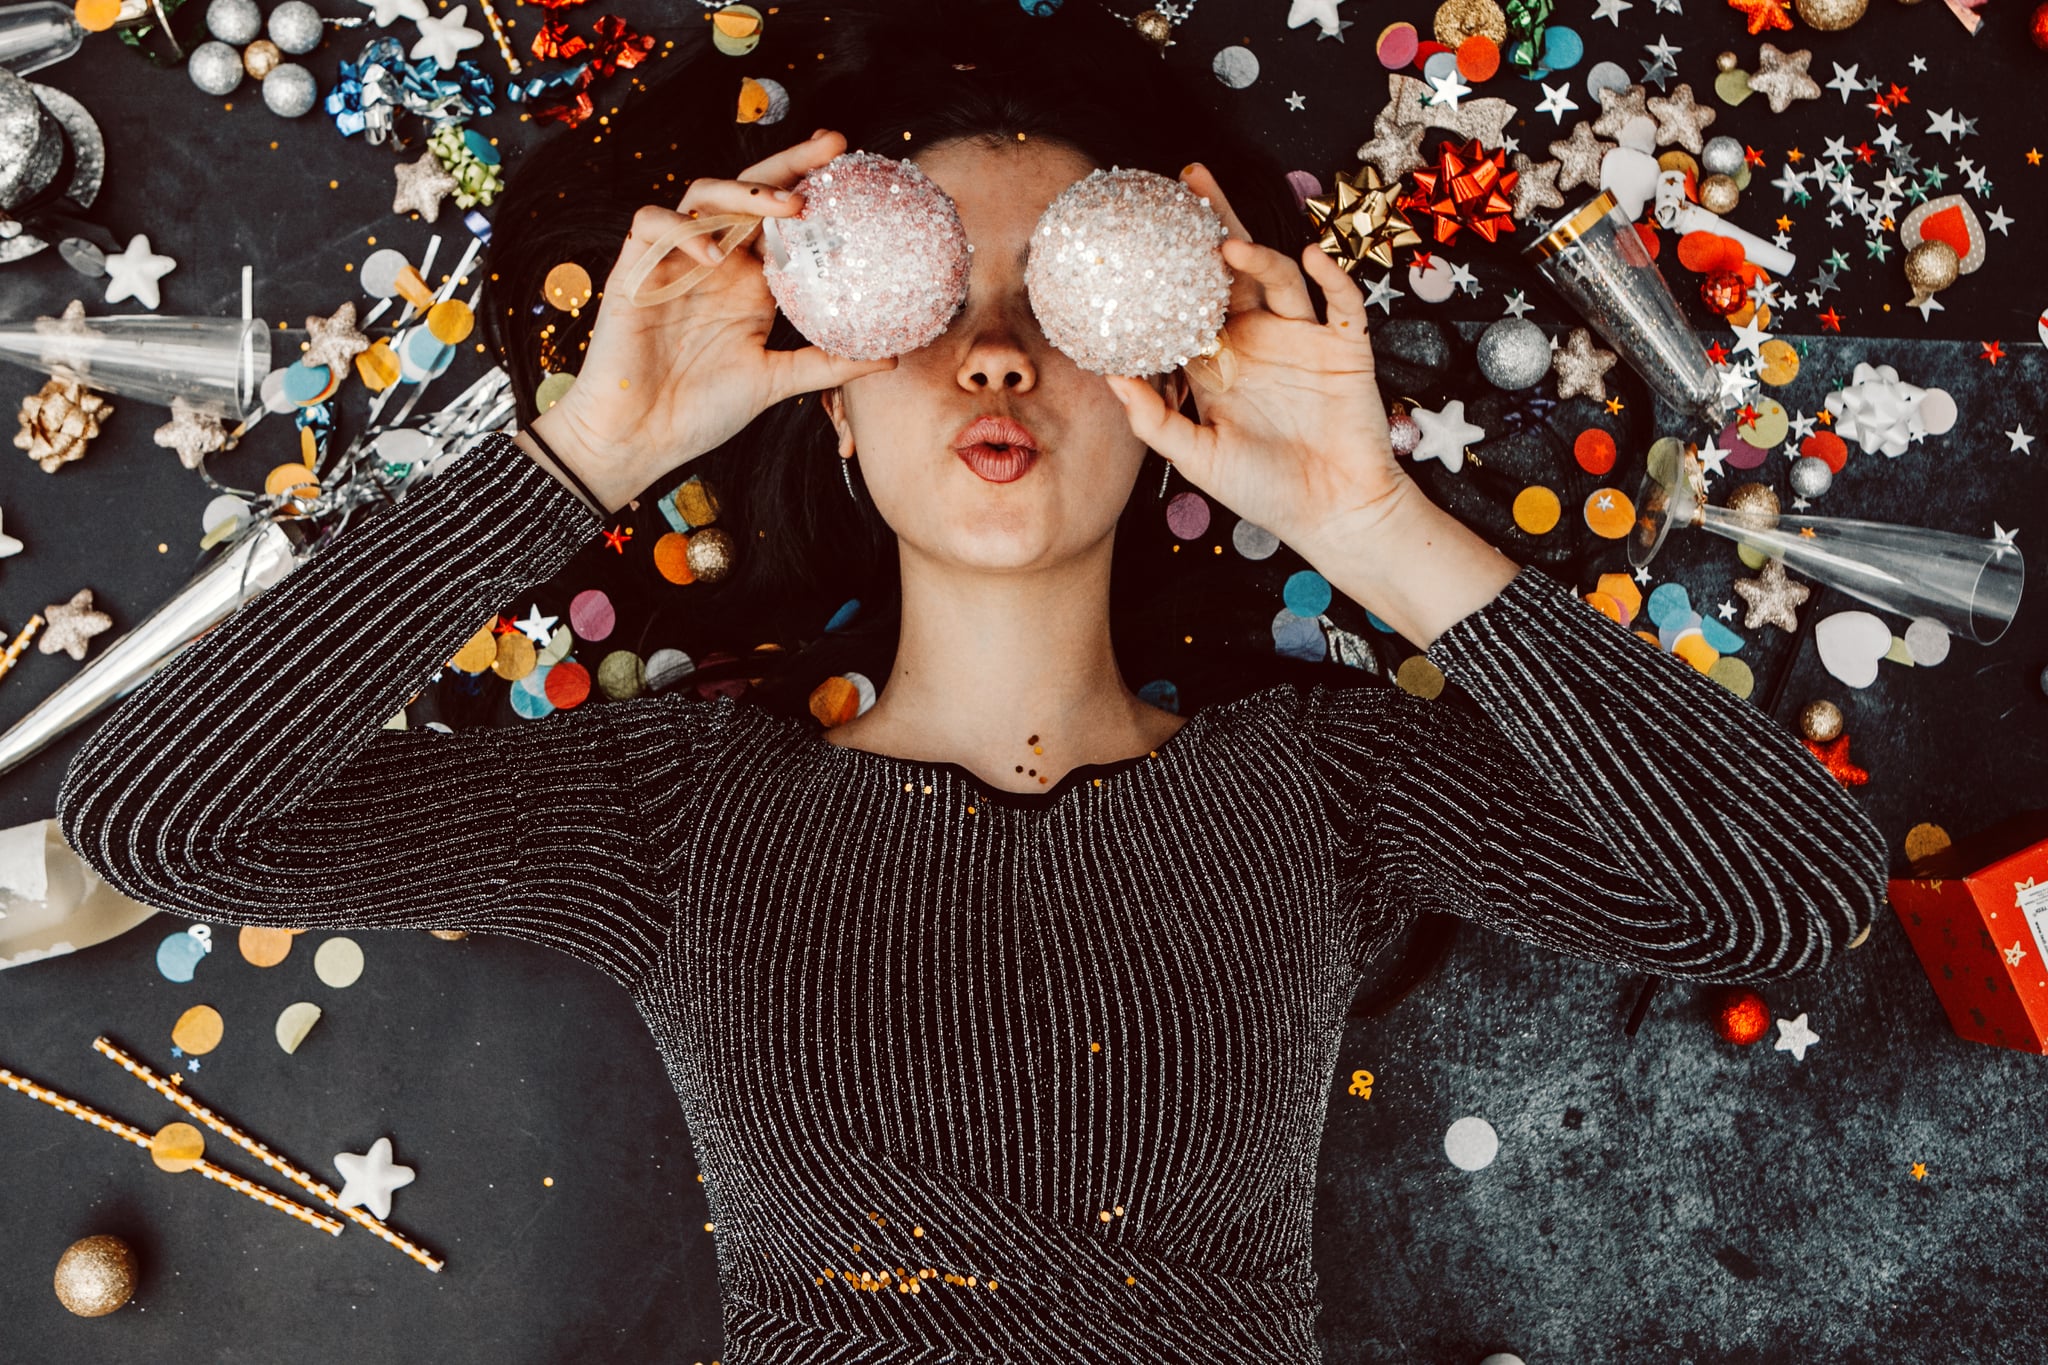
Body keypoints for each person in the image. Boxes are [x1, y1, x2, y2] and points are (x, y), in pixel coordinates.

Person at [56, 3, 1889, 1360]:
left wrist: (1364, 509)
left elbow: (1795, 896)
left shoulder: (1330, 791)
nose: (995, 358)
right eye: (920, 305)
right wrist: (581, 454)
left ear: (1177, 374)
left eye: (1072, 302)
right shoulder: (680, 814)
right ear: (830, 395)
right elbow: (158, 817)